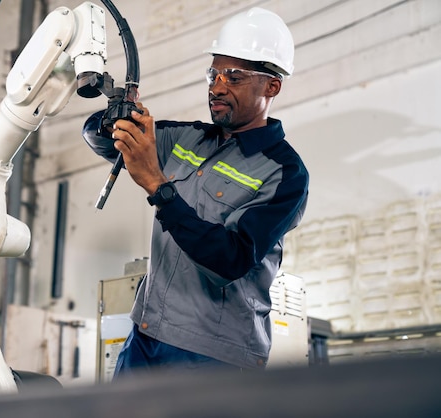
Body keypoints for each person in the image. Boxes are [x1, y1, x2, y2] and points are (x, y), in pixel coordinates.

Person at [82, 7, 309, 376]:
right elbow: (101, 140)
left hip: (214, 356)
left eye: (234, 77)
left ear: (271, 86)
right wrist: (116, 116)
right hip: (145, 336)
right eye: (213, 73)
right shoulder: (187, 138)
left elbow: (231, 259)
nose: (217, 86)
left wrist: (159, 186)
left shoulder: (284, 174)